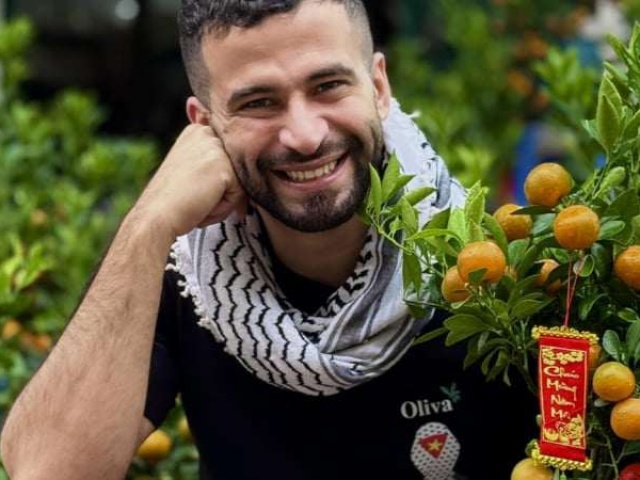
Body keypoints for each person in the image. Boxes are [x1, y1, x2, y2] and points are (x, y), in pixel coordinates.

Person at [1, 1, 537, 479]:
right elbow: (46, 470)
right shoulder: (189, 279)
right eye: (259, 102)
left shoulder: (492, 267)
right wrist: (149, 224)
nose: (304, 136)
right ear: (204, 125)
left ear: (378, 88)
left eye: (327, 86)